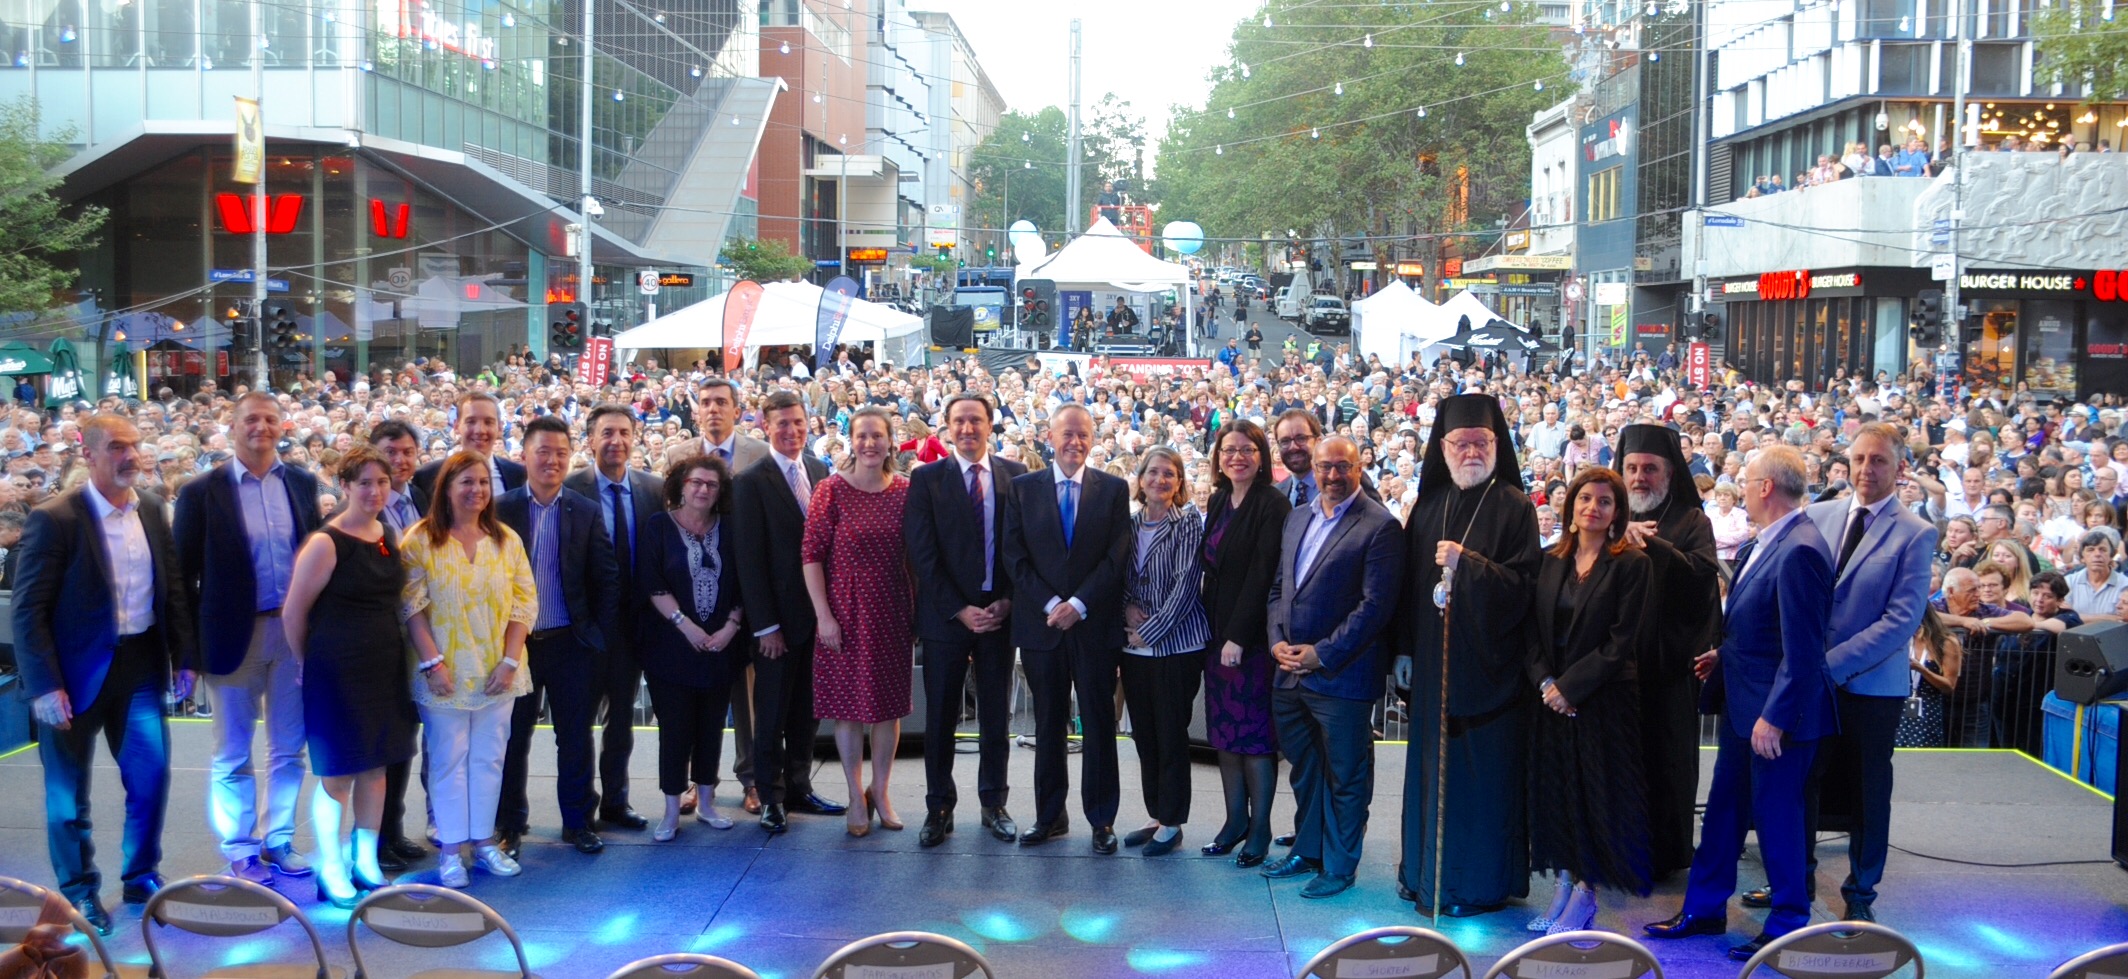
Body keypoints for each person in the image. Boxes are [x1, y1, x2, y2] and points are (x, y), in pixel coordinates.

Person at [1646, 445, 1835, 961]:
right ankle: (1704, 908)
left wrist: (1774, 716)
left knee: (1778, 821)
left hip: (1777, 719)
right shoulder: (1767, 543)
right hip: (1744, 708)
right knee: (1724, 814)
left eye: (1748, 482)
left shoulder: (1800, 548)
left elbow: (1803, 650)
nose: (1742, 490)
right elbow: (1760, 631)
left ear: (1766, 488)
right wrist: (1723, 656)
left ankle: (1788, 926)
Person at [14, 413, 194, 934]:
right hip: (70, 677)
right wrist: (45, 686)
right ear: (88, 453)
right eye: (116, 447)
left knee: (151, 777)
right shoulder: (56, 518)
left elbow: (173, 589)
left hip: (139, 665)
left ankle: (141, 877)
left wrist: (182, 657)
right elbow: (28, 611)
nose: (129, 456)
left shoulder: (153, 508)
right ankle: (78, 894)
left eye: (134, 445)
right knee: (67, 797)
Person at [1395, 394, 1540, 917]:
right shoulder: (1428, 506)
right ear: (1444, 447)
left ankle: (1476, 885)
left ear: (1496, 445)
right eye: (1462, 443)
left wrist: (1469, 564)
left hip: (1490, 674)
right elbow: (1409, 587)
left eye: (1482, 442)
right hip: (1432, 668)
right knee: (1431, 773)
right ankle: (1422, 875)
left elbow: (1526, 587)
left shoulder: (1516, 507)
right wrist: (1404, 649)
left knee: (1481, 783)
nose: (1472, 451)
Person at [173, 391, 324, 884]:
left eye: (270, 419)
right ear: (232, 426)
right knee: (233, 751)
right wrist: (187, 653)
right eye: (251, 419)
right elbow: (182, 577)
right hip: (230, 636)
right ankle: (239, 847)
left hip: (291, 631)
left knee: (288, 747)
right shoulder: (201, 491)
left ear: (283, 427)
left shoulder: (301, 483)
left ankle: (278, 837)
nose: (261, 427)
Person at [1789, 422, 1937, 923]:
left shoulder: (1917, 533)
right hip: (1811, 683)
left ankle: (1861, 894)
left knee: (1868, 793)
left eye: (1878, 461)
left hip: (1872, 688)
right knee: (1803, 783)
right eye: (1859, 459)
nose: (1866, 469)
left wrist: (1828, 666)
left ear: (1899, 468)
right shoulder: (1818, 514)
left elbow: (1902, 620)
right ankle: (1796, 882)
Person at [1260, 434, 1404, 898]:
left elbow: (1375, 607)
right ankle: (1308, 851)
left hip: (1342, 676)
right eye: (1325, 467)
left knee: (1347, 776)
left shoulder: (1380, 526)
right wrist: (1277, 642)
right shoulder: (1297, 517)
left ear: (1359, 467)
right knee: (1304, 772)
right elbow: (1281, 588)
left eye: (1343, 466)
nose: (1333, 476)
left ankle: (1341, 866)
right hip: (1288, 672)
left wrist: (1321, 653)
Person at [279, 447, 416, 907]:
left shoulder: (386, 532)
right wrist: (307, 662)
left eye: (381, 482)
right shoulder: (325, 542)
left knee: (376, 767)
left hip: (383, 665)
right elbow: (294, 613)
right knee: (336, 775)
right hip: (335, 670)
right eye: (364, 483)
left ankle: (365, 860)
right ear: (344, 486)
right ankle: (330, 865)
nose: (375, 491)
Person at [1524, 466, 1654, 935]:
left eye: (1604, 501)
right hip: (1551, 701)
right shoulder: (1550, 560)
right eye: (1584, 499)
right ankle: (1562, 882)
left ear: (1617, 511)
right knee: (1558, 796)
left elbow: (1621, 643)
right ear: (1570, 506)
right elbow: (1532, 634)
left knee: (1594, 799)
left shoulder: (1632, 564)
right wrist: (1546, 685)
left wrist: (1570, 688)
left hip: (1602, 703)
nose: (1592, 508)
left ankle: (1585, 893)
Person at [400, 450, 536, 888]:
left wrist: (511, 660)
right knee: (447, 760)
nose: (476, 490)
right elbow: (411, 607)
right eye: (466, 482)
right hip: (444, 674)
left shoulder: (506, 540)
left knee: (489, 758)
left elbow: (524, 603)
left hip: (499, 672)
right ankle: (450, 851)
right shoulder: (420, 540)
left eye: (482, 482)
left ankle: (483, 842)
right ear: (447, 488)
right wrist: (432, 663)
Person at [1002, 403, 1133, 853]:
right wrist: (1053, 604)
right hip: (1042, 628)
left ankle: (1101, 820)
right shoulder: (1022, 489)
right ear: (1049, 436)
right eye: (1067, 434)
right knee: (1048, 724)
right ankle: (1049, 816)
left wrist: (1078, 604)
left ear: (1093, 439)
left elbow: (1117, 557)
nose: (1074, 442)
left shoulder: (1114, 490)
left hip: (1094, 627)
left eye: (1083, 435)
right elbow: (1014, 557)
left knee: (1098, 724)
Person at [903, 393, 1025, 847]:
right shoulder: (927, 479)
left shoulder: (1017, 477)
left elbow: (1023, 549)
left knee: (996, 717)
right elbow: (923, 553)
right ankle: (939, 807)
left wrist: (1008, 601)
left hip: (999, 617)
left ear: (991, 424)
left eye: (976, 420)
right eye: (959, 421)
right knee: (940, 718)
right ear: (947, 427)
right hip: (945, 618)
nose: (968, 428)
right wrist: (959, 608)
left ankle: (994, 803)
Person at [495, 416, 620, 856]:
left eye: (561, 453)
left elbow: (606, 578)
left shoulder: (583, 510)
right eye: (543, 452)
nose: (552, 460)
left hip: (571, 643)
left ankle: (578, 822)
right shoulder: (501, 509)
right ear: (524, 455)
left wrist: (598, 639)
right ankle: (509, 824)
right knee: (512, 739)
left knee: (575, 737)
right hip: (517, 647)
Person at [733, 390, 849, 832]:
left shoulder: (820, 471)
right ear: (766, 427)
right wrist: (765, 626)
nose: (791, 431)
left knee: (806, 712)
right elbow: (749, 560)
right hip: (776, 625)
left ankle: (800, 786)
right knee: (772, 713)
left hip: (818, 620)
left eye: (798, 422)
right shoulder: (749, 481)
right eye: (782, 424)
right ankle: (770, 796)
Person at [1615, 424, 1722, 880]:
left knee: (1667, 767)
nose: (1640, 477)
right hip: (1616, 672)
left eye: (1650, 469)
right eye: (1632, 468)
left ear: (1669, 472)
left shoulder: (1692, 521)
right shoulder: (1607, 514)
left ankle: (1665, 857)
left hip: (1669, 673)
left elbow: (1702, 578)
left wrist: (1651, 545)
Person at [801, 406, 915, 836]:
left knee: (888, 710)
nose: (869, 443)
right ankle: (853, 794)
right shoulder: (830, 490)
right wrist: (823, 616)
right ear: (850, 439)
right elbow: (811, 556)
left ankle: (880, 791)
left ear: (890, 441)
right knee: (847, 711)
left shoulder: (904, 491)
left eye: (877, 436)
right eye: (861, 435)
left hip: (891, 608)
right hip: (844, 611)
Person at [564, 403, 664, 831]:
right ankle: (580, 811)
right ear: (590, 440)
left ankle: (616, 802)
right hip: (581, 630)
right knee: (577, 725)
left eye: (624, 432)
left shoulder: (653, 489)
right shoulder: (569, 490)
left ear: (634, 437)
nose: (616, 441)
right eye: (606, 433)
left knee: (621, 721)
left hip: (634, 628)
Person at [1198, 420, 1292, 867]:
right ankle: (1235, 820)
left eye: (1247, 450)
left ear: (1261, 456)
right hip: (1215, 635)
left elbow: (1262, 575)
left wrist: (1237, 635)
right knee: (1225, 737)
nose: (1237, 457)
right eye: (1228, 450)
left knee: (1254, 739)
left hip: (1248, 640)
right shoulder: (1219, 500)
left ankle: (1260, 828)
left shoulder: (1271, 504)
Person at [638, 453, 745, 841]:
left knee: (712, 727)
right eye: (696, 482)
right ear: (681, 486)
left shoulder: (731, 530)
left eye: (711, 484)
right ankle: (670, 810)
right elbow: (652, 583)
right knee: (676, 729)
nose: (703, 489)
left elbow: (743, 584)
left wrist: (730, 628)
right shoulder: (658, 527)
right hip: (671, 647)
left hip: (721, 647)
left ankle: (707, 802)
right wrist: (687, 627)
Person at [1117, 447, 1210, 856]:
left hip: (1175, 645)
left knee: (1171, 734)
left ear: (1179, 481)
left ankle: (1173, 822)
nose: (1160, 480)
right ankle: (1156, 814)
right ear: (1140, 479)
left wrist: (1150, 631)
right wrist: (1125, 607)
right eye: (1153, 472)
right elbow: (1117, 573)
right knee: (1145, 735)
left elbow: (1186, 585)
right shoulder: (1130, 524)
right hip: (1134, 647)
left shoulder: (1188, 521)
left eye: (1169, 474)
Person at [364, 420, 431, 873]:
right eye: (391, 452)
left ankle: (395, 831)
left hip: (416, 638)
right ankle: (372, 841)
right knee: (377, 748)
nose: (401, 460)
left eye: (408, 452)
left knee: (405, 741)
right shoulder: (362, 509)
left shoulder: (422, 500)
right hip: (377, 641)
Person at [410, 392, 527, 500]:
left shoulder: (518, 475)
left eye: (488, 422)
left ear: (500, 427)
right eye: (471, 421)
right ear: (456, 426)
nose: (480, 430)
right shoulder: (428, 476)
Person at [1897, 607, 1962, 748]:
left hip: (1928, 709)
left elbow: (1949, 686)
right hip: (1898, 707)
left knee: (1924, 756)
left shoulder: (1946, 642)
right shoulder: (1901, 639)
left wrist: (1921, 670)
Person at [2064, 530, 2127, 622]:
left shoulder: (2125, 584)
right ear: (2082, 557)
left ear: (2111, 556)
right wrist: (2109, 618)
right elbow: (2063, 618)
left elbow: (2124, 620)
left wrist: (2076, 617)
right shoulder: (2068, 583)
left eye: (2102, 549)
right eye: (2090, 550)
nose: (2097, 554)